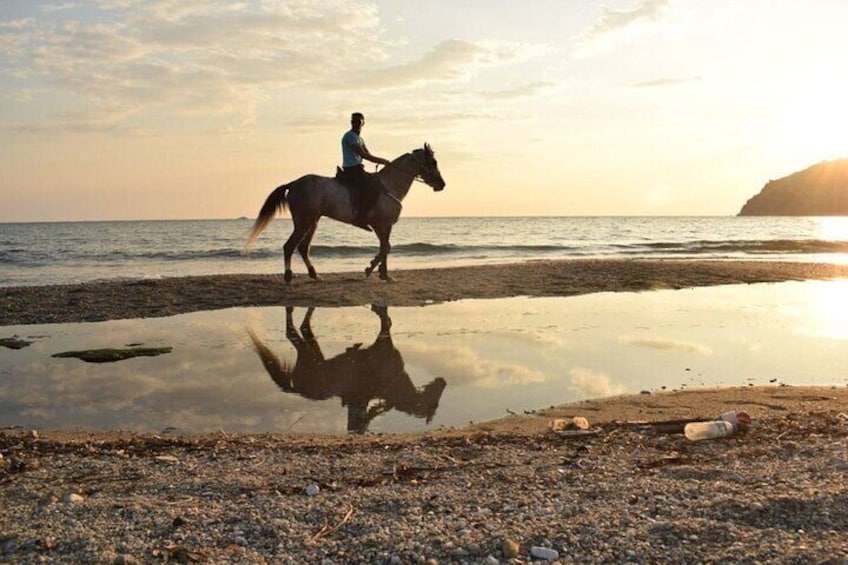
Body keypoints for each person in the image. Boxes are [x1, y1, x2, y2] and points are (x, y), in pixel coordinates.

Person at [340, 112, 390, 230]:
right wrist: (384, 161)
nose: (355, 124)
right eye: (353, 121)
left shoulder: (360, 139)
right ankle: (360, 218)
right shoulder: (349, 136)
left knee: (375, 183)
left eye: (358, 122)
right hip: (351, 169)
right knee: (374, 188)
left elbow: (368, 154)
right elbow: (363, 154)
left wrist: (382, 161)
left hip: (358, 168)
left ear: (363, 123)